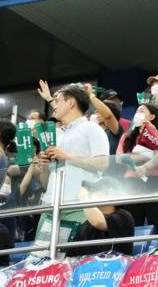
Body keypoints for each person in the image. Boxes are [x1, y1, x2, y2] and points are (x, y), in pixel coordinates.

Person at [36, 82, 109, 234]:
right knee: (42, 250)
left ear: (70, 103)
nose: (54, 105)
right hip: (49, 205)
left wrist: (67, 157)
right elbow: (44, 182)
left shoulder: (92, 128)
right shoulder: (56, 134)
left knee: (74, 249)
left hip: (78, 205)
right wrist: (43, 164)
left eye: (57, 101)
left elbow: (103, 164)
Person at [115, 103, 158, 231]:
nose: (138, 113)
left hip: (154, 182)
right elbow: (118, 158)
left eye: (142, 111)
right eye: (137, 111)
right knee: (133, 222)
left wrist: (144, 167)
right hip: (132, 182)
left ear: (152, 116)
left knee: (157, 220)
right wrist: (146, 155)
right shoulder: (127, 136)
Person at [66, 178, 134, 257]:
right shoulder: (87, 224)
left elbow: (99, 222)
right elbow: (71, 257)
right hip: (87, 264)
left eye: (95, 190)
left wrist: (84, 198)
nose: (91, 194)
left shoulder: (123, 215)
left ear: (110, 194)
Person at [84, 83, 124, 158]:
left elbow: (108, 116)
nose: (96, 113)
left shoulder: (115, 130)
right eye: (96, 111)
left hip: (113, 165)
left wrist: (91, 95)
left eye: (99, 111)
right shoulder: (94, 132)